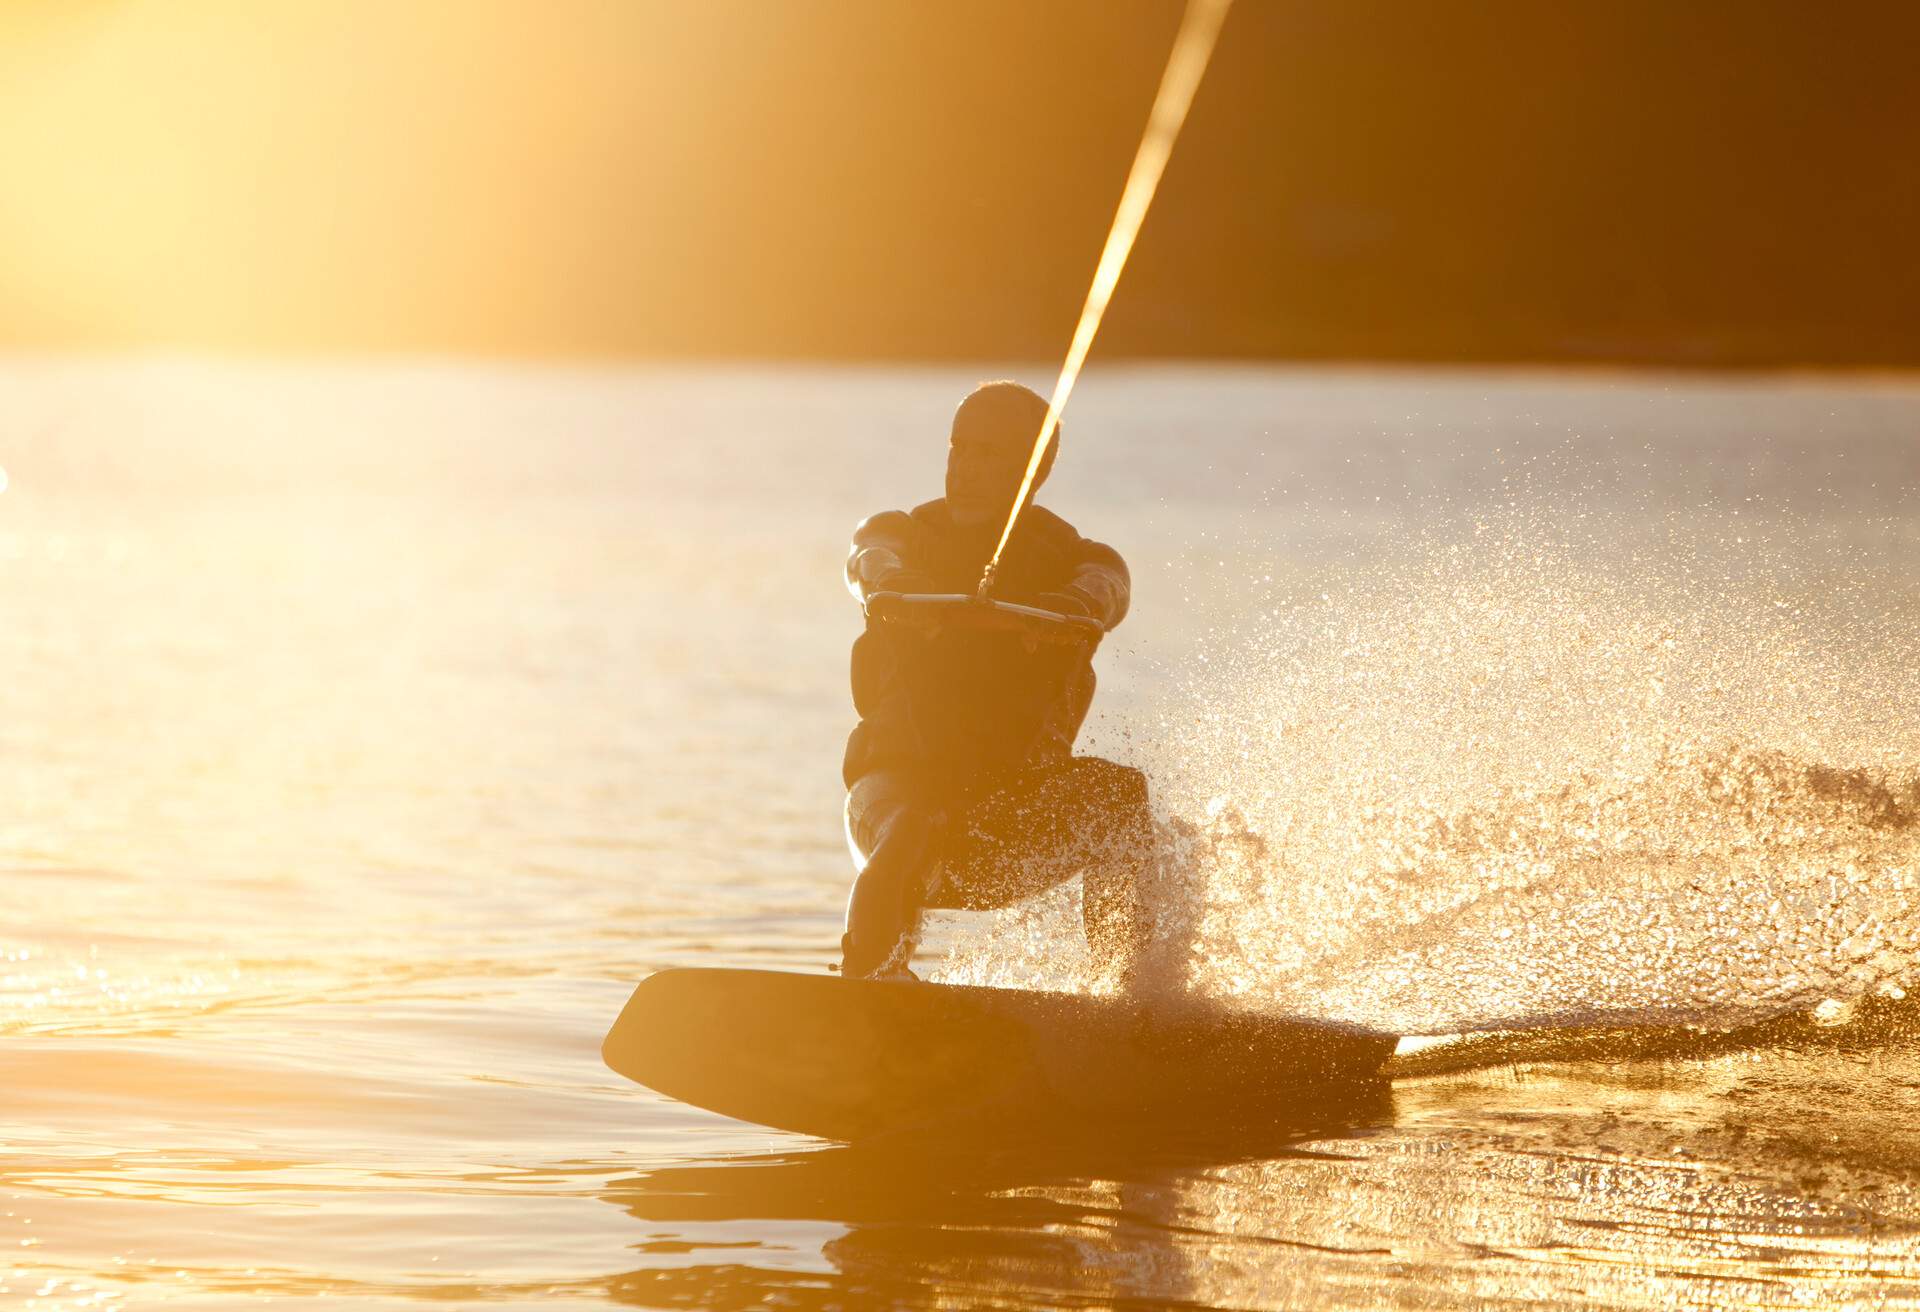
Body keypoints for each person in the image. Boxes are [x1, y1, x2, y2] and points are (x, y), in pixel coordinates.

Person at [839, 380, 1156, 983]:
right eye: (959, 446)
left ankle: (1133, 995)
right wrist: (897, 589)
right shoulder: (900, 534)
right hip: (895, 795)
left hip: (1007, 820)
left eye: (989, 454)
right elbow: (866, 556)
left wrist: (1071, 607)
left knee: (1120, 798)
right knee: (912, 828)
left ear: (1030, 471)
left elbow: (1109, 585)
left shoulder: (1076, 556)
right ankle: (871, 983)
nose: (965, 466)